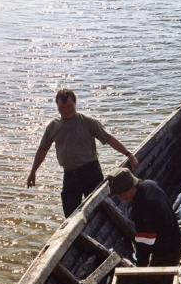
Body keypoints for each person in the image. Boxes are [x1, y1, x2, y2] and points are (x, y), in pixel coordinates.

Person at [27, 89, 139, 217]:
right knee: (70, 214)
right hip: (69, 175)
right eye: (62, 107)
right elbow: (42, 150)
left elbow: (109, 139)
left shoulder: (87, 122)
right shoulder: (53, 126)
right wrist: (33, 172)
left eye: (69, 106)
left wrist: (128, 154)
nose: (66, 110)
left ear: (75, 104)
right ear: (57, 106)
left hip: (90, 172)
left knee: (99, 210)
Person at [107, 167, 181, 267]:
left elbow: (144, 246)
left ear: (130, 188)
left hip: (168, 252)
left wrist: (140, 268)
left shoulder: (143, 208)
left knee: (157, 282)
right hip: (175, 239)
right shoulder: (149, 184)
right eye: (118, 195)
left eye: (122, 194)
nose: (120, 199)